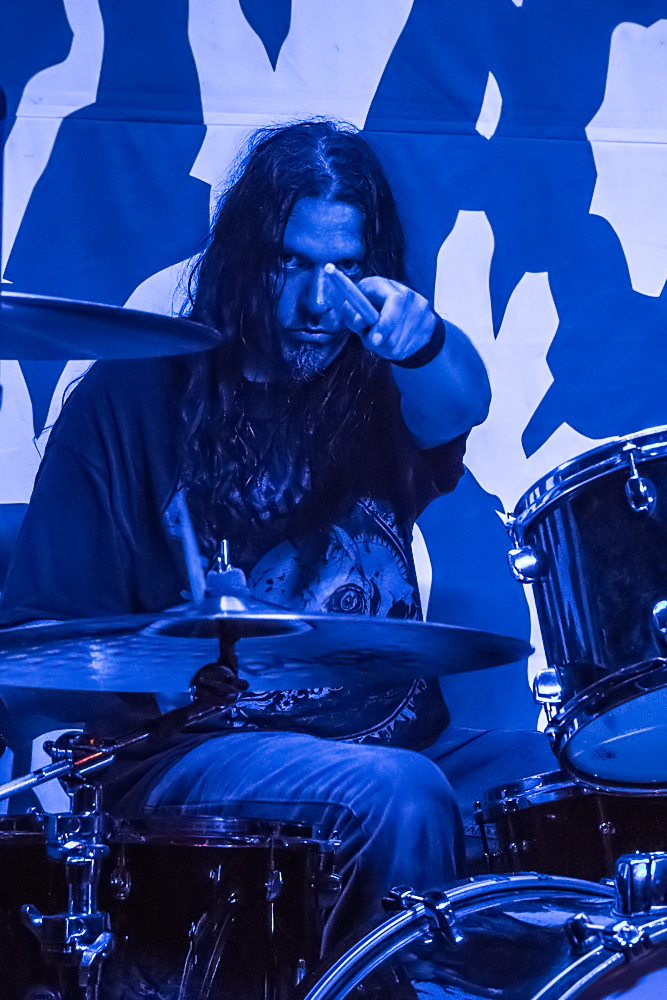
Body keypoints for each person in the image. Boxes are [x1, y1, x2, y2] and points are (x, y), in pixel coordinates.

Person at [0, 121, 553, 952]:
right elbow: (41, 638)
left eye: (345, 268)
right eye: (290, 262)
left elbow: (459, 401)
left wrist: (426, 341)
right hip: (187, 758)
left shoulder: (375, 386)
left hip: (406, 743)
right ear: (239, 259)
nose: (317, 303)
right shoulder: (128, 401)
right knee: (398, 793)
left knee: (572, 778)